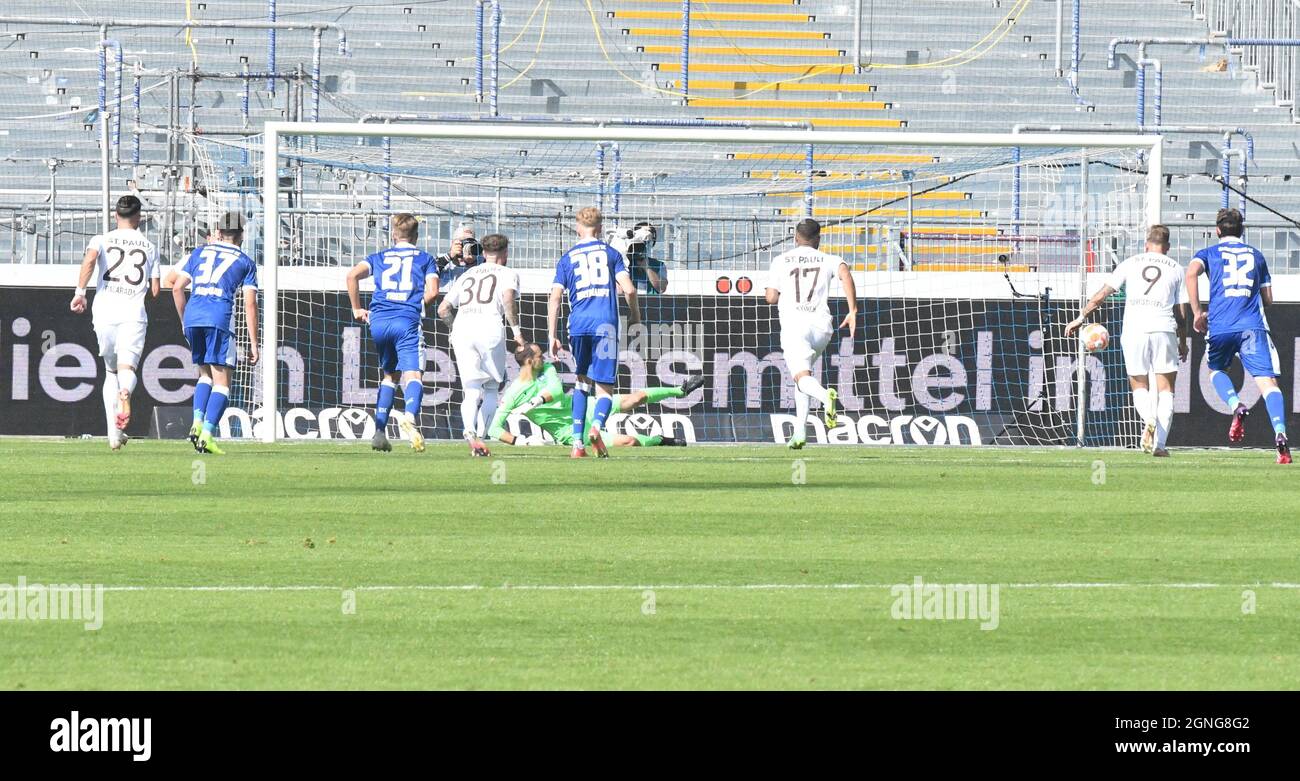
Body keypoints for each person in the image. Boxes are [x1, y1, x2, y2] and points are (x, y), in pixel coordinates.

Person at [1066, 225, 1189, 456]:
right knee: (1166, 390)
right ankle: (1160, 446)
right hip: (1164, 328)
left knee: (1139, 385)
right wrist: (1182, 342)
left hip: (1134, 330)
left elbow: (1102, 294)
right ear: (1168, 247)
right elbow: (1182, 314)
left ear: (1146, 244)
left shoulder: (1131, 262)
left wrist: (1080, 318)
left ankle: (1148, 418)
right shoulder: (1176, 269)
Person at [1186, 207, 1290, 464]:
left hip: (1220, 325)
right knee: (1268, 383)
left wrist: (1198, 312)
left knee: (1216, 371)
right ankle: (1280, 433)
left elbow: (1190, 273)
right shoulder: (1256, 255)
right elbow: (1269, 300)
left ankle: (1235, 404)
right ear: (1242, 230)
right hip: (1252, 327)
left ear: (1217, 230)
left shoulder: (1208, 253)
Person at [547, 206, 641, 458]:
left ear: (578, 228)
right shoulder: (612, 254)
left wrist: (551, 335)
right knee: (604, 388)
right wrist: (635, 315)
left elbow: (555, 298)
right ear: (599, 229)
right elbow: (629, 290)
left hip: (577, 325)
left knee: (581, 381)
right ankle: (596, 427)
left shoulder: (566, 258)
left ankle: (577, 444)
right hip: (605, 323)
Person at [69, 195, 160, 451]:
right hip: (132, 312)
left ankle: (114, 435)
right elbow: (155, 290)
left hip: (104, 311)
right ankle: (126, 394)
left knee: (110, 372)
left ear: (115, 215)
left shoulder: (101, 239)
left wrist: (79, 292)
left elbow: (89, 260)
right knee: (126, 369)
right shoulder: (149, 246)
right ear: (139, 217)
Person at [346, 213, 440, 453]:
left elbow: (351, 275)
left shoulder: (378, 257)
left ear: (393, 235)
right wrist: (417, 308)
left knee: (390, 376)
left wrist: (357, 308)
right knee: (414, 376)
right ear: (416, 236)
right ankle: (409, 416)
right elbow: (432, 293)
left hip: (378, 322)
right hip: (406, 321)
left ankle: (379, 433)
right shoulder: (425, 259)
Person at [167, 211, 259, 455]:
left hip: (193, 317)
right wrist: (254, 343)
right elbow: (250, 304)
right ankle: (207, 434)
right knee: (222, 382)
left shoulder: (198, 252)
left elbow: (176, 288)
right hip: (219, 318)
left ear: (218, 232)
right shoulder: (245, 261)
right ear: (242, 234)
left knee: (204, 375)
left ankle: (196, 424)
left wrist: (184, 320)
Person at [488, 343, 702, 447]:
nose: (543, 358)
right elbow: (494, 429)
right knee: (628, 441)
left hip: (582, 406)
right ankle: (659, 440)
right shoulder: (514, 391)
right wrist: (520, 442)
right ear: (528, 362)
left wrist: (535, 402)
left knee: (634, 398)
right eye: (538, 356)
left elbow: (556, 392)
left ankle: (680, 390)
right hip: (570, 431)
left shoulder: (548, 370)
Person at [764, 218, 858, 449]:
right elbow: (844, 273)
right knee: (804, 376)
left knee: (801, 377)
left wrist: (780, 293)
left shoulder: (780, 260)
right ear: (818, 238)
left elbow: (770, 298)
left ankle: (826, 397)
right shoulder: (829, 259)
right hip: (822, 327)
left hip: (795, 326)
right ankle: (799, 432)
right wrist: (852, 310)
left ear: (796, 238)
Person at [438, 233, 524, 457]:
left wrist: (453, 328)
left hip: (463, 330)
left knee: (471, 390)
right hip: (489, 328)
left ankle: (469, 432)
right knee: (492, 388)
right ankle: (482, 440)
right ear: (505, 253)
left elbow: (443, 309)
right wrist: (517, 332)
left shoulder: (467, 274)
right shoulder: (508, 273)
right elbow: (507, 300)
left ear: (484, 253)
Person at [435, 223, 479, 289]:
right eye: (463, 241)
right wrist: (450, 255)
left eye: (470, 242)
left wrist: (472, 262)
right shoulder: (442, 260)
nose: (466, 245)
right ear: (453, 243)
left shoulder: (480, 261)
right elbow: (428, 273)